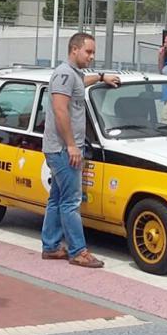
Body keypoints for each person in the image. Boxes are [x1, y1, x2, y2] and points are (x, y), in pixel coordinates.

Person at [41, 32, 119, 268]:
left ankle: (51, 246)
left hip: (61, 148)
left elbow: (79, 84)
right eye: (88, 51)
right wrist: (72, 145)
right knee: (71, 201)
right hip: (64, 149)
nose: (91, 56)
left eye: (93, 52)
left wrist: (101, 77)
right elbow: (60, 109)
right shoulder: (65, 74)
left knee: (57, 198)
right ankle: (78, 251)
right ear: (74, 49)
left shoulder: (72, 74)